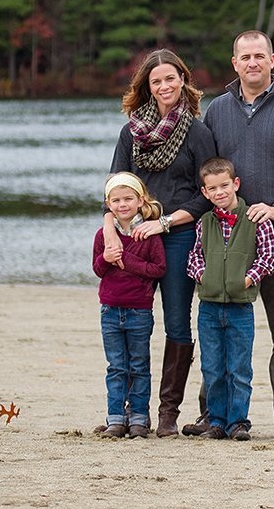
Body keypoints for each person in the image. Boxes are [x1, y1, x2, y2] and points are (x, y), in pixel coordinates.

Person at [187, 30, 274, 439]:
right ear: (234, 63)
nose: (252, 62)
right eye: (245, 56)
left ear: (272, 60)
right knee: (221, 320)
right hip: (226, 236)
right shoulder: (217, 111)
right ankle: (213, 414)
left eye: (259, 56)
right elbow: (207, 172)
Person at [105, 49, 217, 437]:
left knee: (175, 323)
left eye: (171, 78)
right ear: (147, 87)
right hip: (132, 239)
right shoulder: (130, 132)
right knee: (129, 323)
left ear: (183, 81)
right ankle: (128, 415)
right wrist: (109, 229)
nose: (165, 86)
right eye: (157, 81)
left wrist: (164, 223)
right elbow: (114, 188)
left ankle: (167, 413)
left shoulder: (199, 133)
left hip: (178, 238)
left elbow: (206, 195)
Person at [186, 157, 274, 441]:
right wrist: (204, 276)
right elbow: (194, 257)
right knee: (212, 368)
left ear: (235, 184)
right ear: (205, 192)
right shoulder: (205, 222)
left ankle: (238, 422)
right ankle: (216, 422)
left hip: (241, 307)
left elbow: (270, 257)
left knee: (239, 368)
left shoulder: (254, 218)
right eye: (212, 188)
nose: (219, 192)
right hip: (209, 307)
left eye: (224, 185)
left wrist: (248, 278)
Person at [93, 172, 167, 439]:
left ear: (140, 201)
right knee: (116, 367)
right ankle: (115, 418)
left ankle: (138, 418)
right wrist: (106, 258)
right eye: (116, 200)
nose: (122, 204)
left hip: (139, 311)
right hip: (110, 310)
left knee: (138, 366)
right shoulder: (103, 235)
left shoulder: (147, 234)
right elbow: (98, 270)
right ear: (108, 204)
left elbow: (158, 269)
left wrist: (125, 260)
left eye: (128, 199)